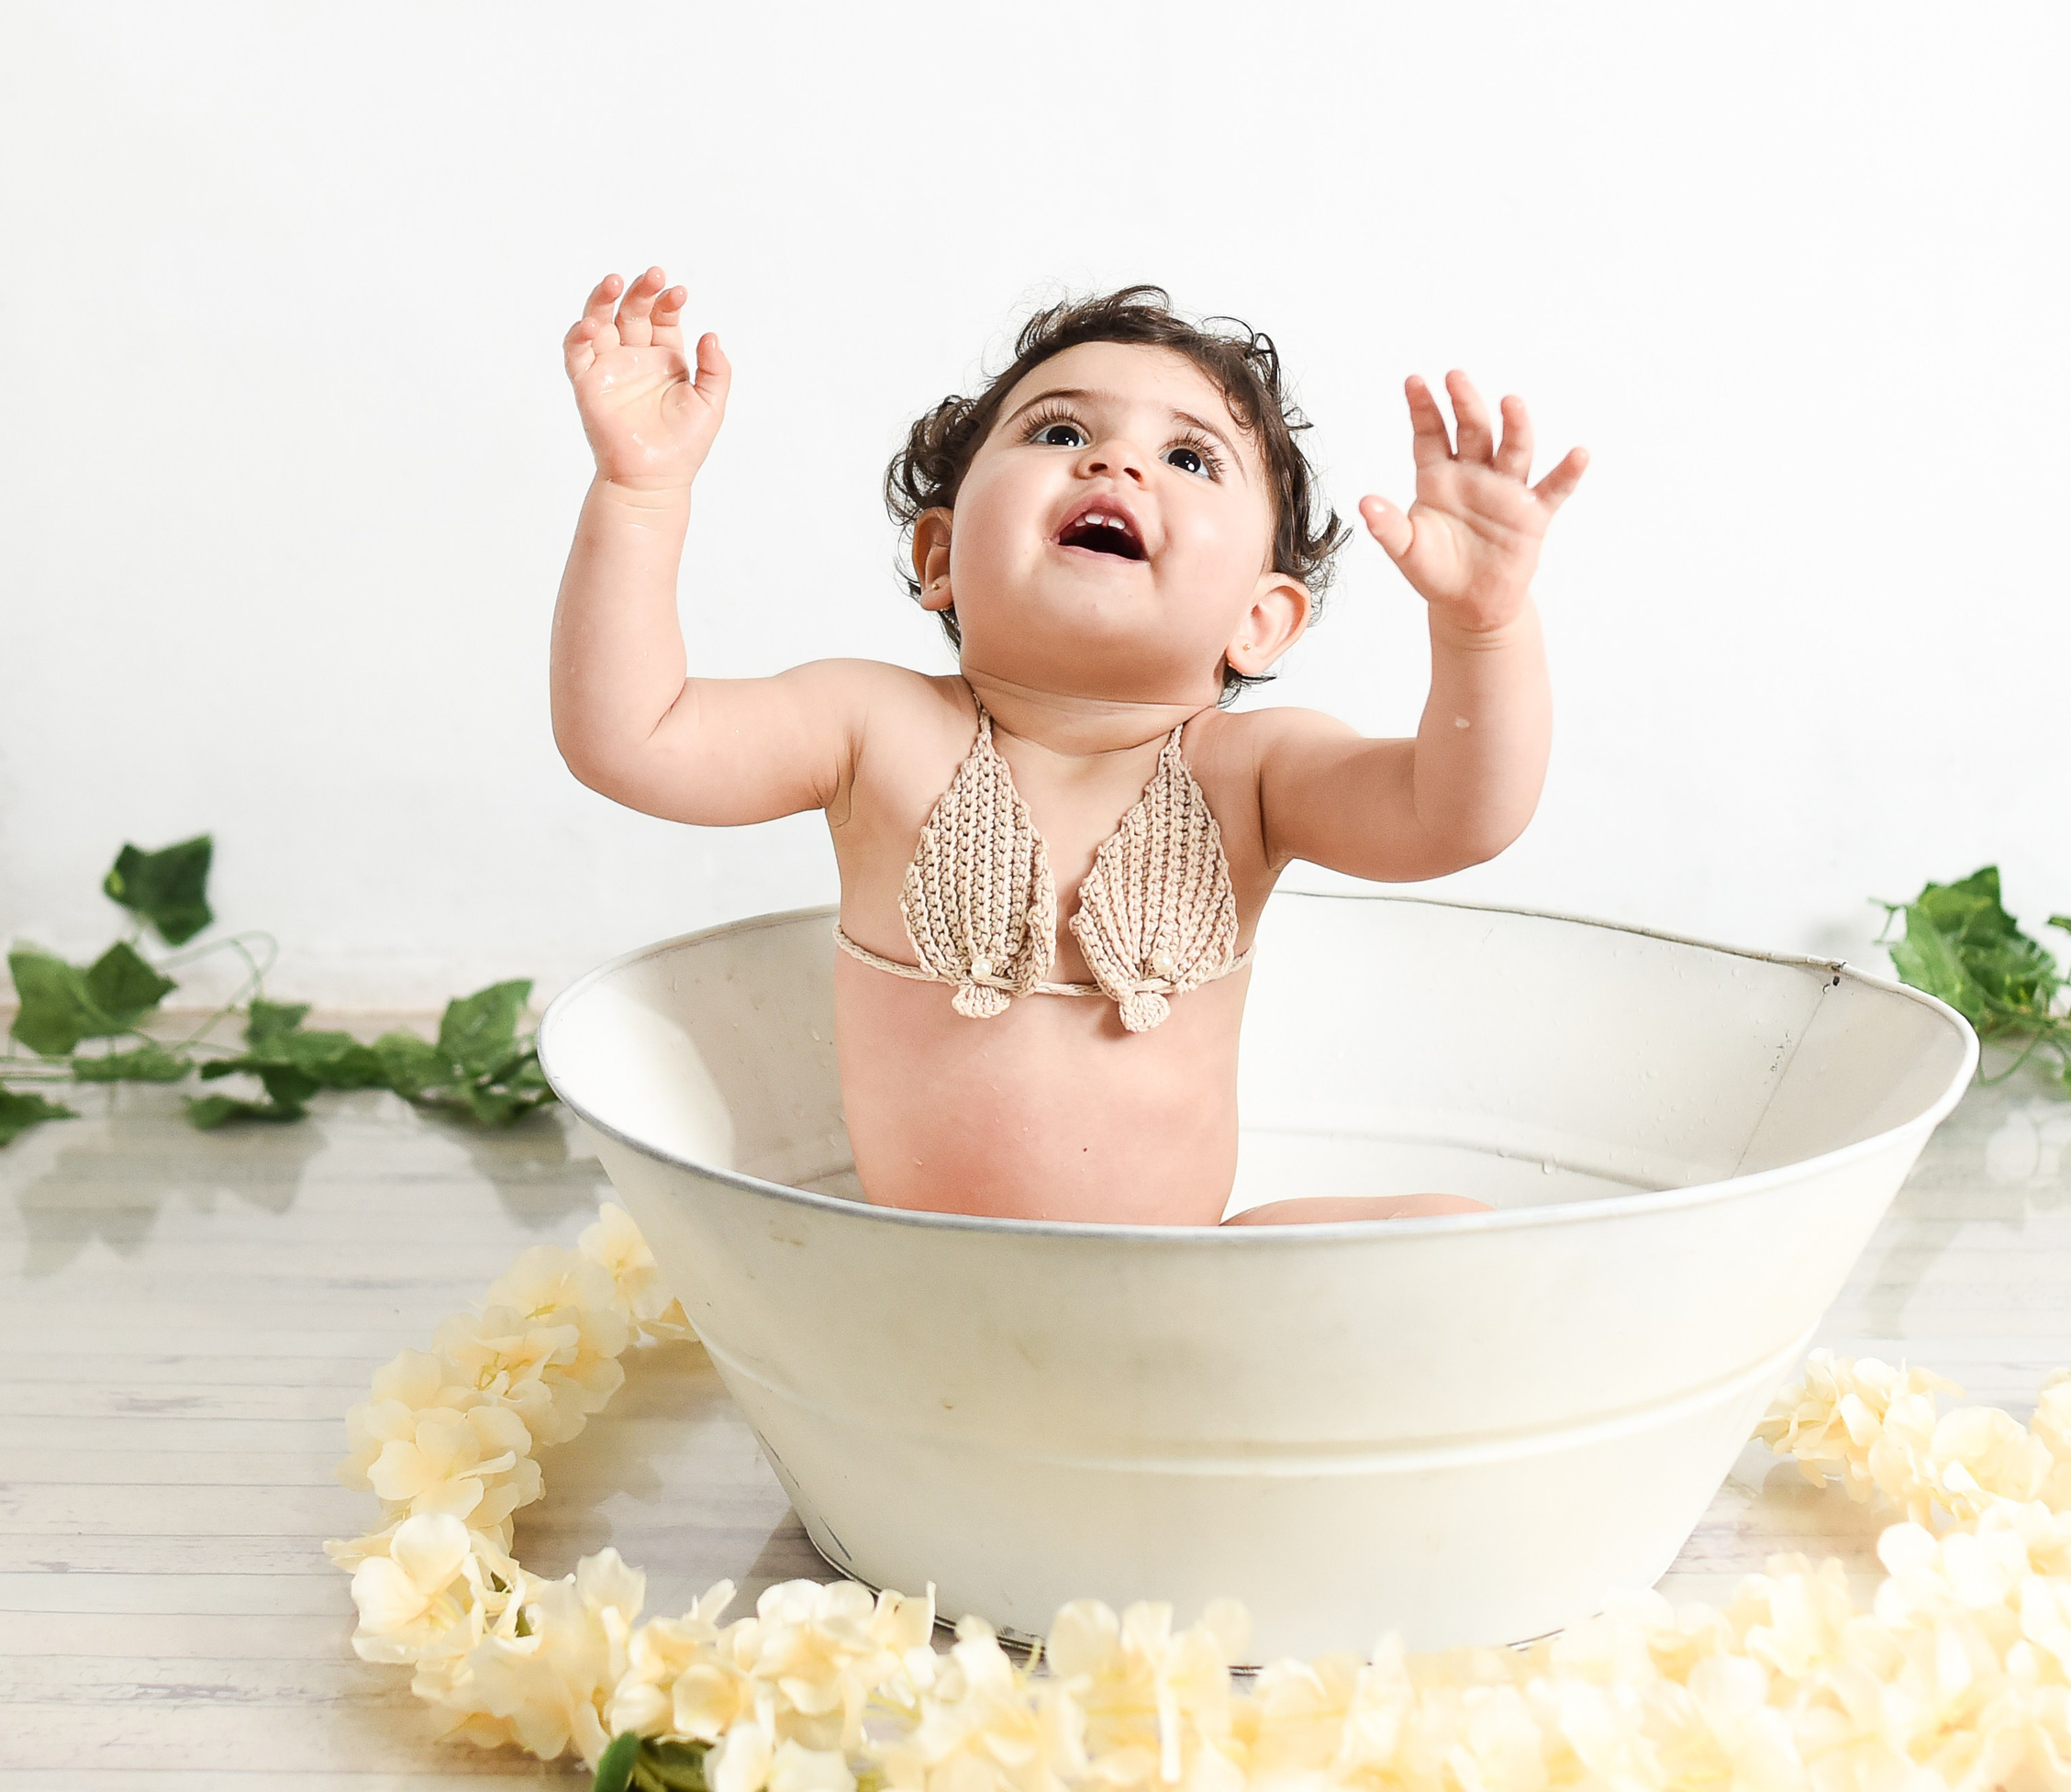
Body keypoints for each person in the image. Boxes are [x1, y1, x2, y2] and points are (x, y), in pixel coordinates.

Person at [552, 270, 1588, 1226]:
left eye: (1188, 458)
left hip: (1182, 1287)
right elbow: (632, 737)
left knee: (1445, 1233)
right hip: (910, 1288)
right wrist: (641, 495)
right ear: (941, 553)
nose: (1115, 460)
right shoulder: (871, 727)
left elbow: (1458, 815)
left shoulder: (1254, 774)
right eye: (1056, 432)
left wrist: (1481, 630)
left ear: (1261, 621)